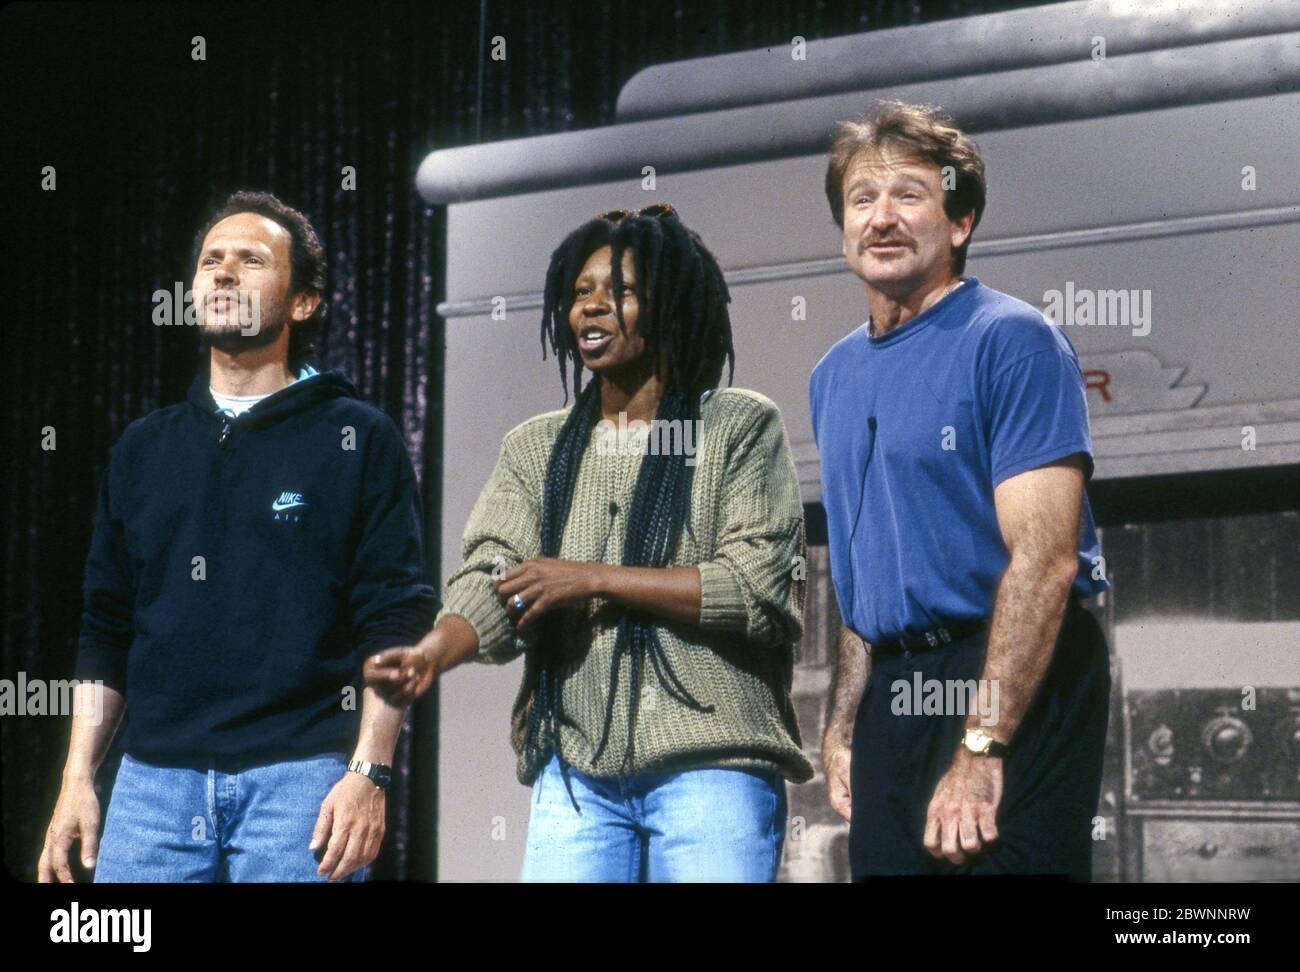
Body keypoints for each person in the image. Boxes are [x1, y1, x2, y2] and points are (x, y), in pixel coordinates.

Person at [366, 203, 813, 882]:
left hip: (712, 769)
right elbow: (493, 578)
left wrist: (592, 578)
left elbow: (756, 590)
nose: (593, 308)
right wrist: (432, 654)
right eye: (580, 294)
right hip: (575, 776)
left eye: (622, 291)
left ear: (671, 303)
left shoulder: (737, 427)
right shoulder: (536, 447)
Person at [39, 190, 435, 883]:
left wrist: (369, 772)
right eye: (210, 261)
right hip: (151, 788)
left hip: (303, 784)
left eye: (251, 260)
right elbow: (106, 627)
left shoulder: (356, 437)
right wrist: (77, 779)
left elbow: (394, 617)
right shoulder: (143, 447)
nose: (222, 273)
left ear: (304, 302)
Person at [812, 101, 1111, 879]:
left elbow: (1046, 563)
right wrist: (843, 723)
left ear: (961, 221)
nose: (882, 218)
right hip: (895, 691)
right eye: (862, 199)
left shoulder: (1012, 340)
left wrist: (982, 744)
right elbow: (861, 572)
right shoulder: (831, 376)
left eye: (909, 195)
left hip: (1008, 671)